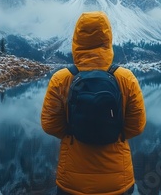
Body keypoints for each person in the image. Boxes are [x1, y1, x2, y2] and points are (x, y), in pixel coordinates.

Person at [41, 11, 146, 195]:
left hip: (72, 184)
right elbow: (136, 126)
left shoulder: (62, 79)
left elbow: (50, 125)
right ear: (108, 39)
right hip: (118, 183)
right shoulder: (125, 78)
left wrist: (72, 134)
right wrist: (114, 134)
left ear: (76, 40)